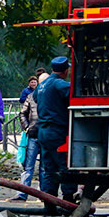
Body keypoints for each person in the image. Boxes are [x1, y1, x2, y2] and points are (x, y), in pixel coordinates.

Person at [34, 57, 73, 200]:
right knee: (64, 166)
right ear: (65, 70)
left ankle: (49, 200)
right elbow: (74, 93)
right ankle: (68, 199)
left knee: (49, 168)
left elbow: (36, 98)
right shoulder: (59, 84)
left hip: (43, 131)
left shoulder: (42, 85)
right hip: (57, 131)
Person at [17, 74, 42, 188]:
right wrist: (27, 127)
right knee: (28, 165)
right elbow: (22, 113)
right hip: (33, 134)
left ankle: (43, 192)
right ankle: (23, 192)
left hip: (45, 134)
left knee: (45, 167)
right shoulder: (30, 96)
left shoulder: (49, 97)